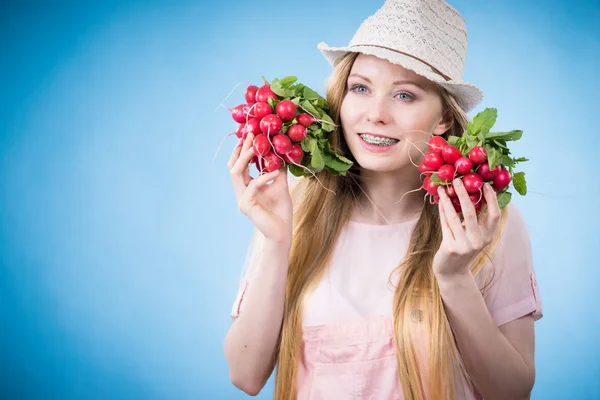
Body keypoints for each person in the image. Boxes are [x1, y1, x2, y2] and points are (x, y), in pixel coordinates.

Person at [224, 0, 543, 399]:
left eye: (405, 96)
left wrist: (455, 278)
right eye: (360, 88)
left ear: (444, 118)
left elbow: (512, 392)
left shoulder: (486, 223)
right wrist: (276, 243)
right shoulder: (296, 206)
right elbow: (245, 374)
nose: (375, 114)